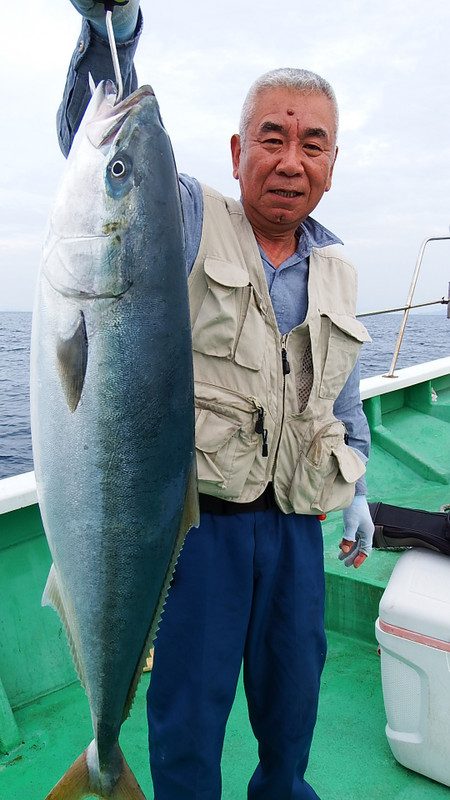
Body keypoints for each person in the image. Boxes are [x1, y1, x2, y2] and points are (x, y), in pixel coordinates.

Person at [61, 3, 375, 798]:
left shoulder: (337, 268)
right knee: (190, 721)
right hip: (199, 532)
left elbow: (342, 398)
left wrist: (361, 487)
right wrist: (113, 33)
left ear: (334, 162)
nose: (291, 159)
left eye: (313, 143)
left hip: (300, 533)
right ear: (239, 152)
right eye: (272, 137)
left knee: (293, 713)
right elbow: (101, 154)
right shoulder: (191, 216)